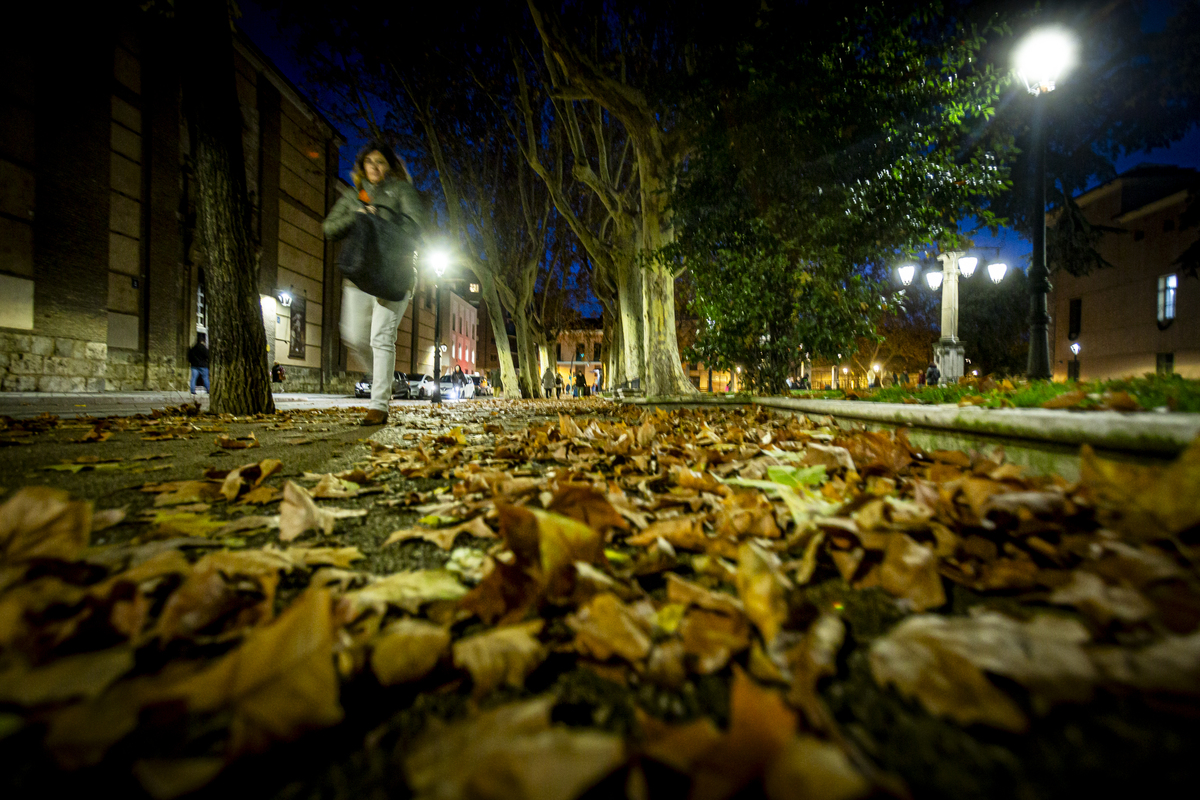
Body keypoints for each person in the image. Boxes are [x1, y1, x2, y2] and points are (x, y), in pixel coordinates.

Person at [323, 141, 424, 426]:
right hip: (360, 275)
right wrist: (357, 218)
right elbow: (329, 228)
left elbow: (417, 226)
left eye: (381, 162)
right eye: (370, 162)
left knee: (381, 337)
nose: (375, 167)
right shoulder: (355, 195)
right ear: (362, 166)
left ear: (390, 167)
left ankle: (378, 405)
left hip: (394, 274)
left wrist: (383, 219)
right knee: (353, 336)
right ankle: (386, 379)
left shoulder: (402, 191)